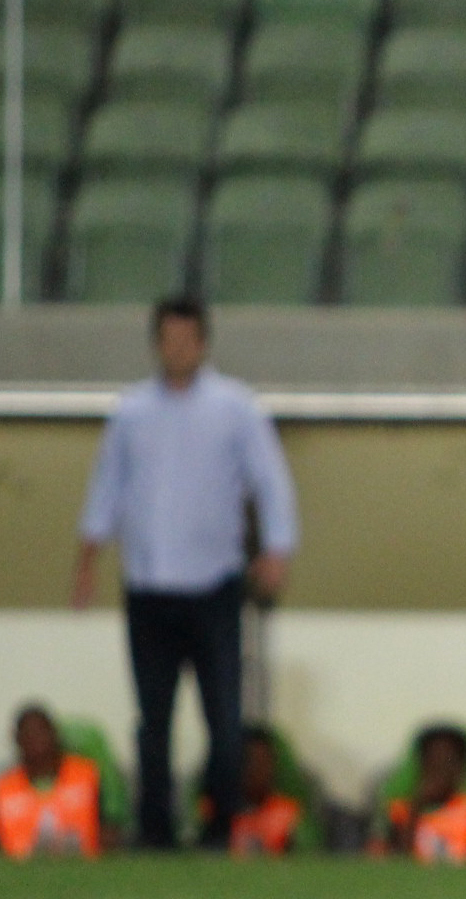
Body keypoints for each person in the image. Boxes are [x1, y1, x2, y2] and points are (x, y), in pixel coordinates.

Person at [73, 297, 298, 850]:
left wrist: (277, 550)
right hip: (149, 587)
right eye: (168, 340)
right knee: (153, 719)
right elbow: (107, 487)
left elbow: (271, 481)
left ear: (203, 344)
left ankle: (220, 823)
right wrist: (88, 560)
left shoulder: (235, 408)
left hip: (214, 585)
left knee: (223, 715)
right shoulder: (132, 412)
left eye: (187, 340)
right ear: (156, 344)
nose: (177, 350)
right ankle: (156, 827)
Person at [377, 725, 466, 864]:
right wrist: (417, 808)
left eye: (448, 761)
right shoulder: (399, 810)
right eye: (433, 761)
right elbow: (393, 857)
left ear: (462, 768)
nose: (440, 770)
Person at [1, 705, 104, 860]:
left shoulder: (87, 775)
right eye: (28, 735)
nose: (35, 740)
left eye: (40, 732)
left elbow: (110, 827)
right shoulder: (4, 788)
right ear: (17, 739)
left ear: (54, 734)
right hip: (23, 870)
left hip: (85, 866)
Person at [227, 726, 304, 858]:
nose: (257, 770)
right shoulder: (221, 812)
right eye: (251, 762)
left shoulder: (288, 813)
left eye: (263, 762)